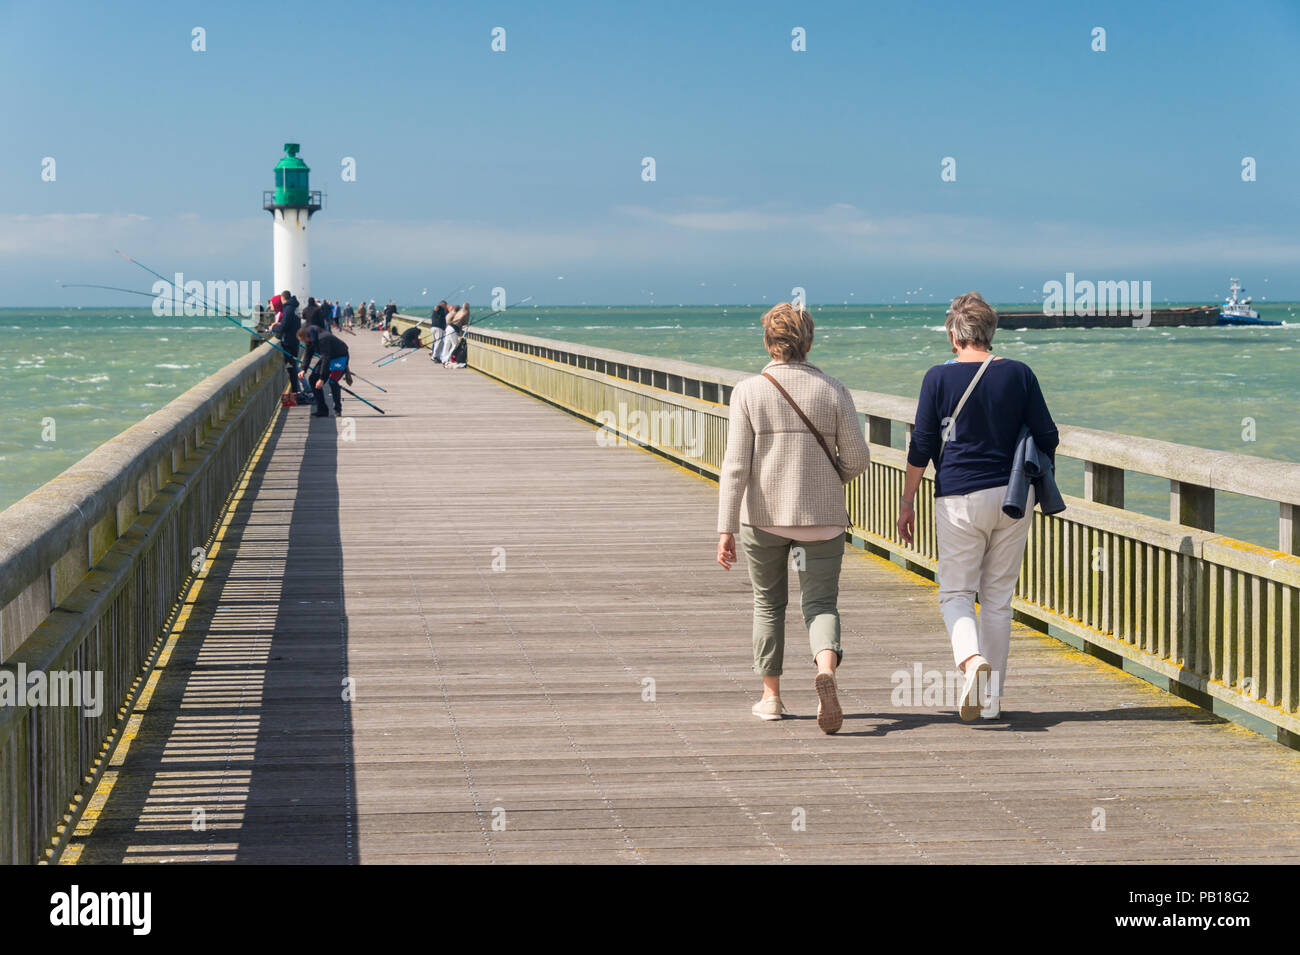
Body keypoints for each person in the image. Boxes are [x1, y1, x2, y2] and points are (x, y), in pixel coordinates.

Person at [896, 292, 1058, 722]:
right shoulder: (1019, 375)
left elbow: (922, 444)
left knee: (955, 593)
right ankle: (991, 702)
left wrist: (908, 500)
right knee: (998, 599)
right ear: (990, 332)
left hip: (959, 498)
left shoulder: (937, 378)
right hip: (1011, 497)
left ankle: (970, 662)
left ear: (954, 335)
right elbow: (1048, 435)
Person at [715, 303, 869, 733]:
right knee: (820, 604)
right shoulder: (834, 389)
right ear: (809, 343)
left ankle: (771, 698)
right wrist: (828, 477)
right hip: (822, 519)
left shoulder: (748, 391)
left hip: (763, 518)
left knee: (768, 604)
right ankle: (826, 671)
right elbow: (857, 459)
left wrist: (725, 527)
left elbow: (735, 466)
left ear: (768, 343)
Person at [297, 324, 352, 417]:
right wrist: (303, 369)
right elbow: (308, 355)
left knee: (332, 381)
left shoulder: (323, 338)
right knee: (313, 379)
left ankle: (337, 409)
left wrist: (322, 379)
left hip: (339, 356)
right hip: (328, 357)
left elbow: (326, 359)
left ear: (307, 337)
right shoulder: (310, 341)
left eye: (302, 341)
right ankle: (322, 409)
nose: (302, 343)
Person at [273, 291, 301, 393]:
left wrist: (274, 327)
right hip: (294, 340)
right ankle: (296, 392)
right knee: (293, 368)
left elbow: (284, 326)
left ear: (282, 298)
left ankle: (296, 392)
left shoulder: (288, 308)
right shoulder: (294, 307)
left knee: (292, 369)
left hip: (289, 343)